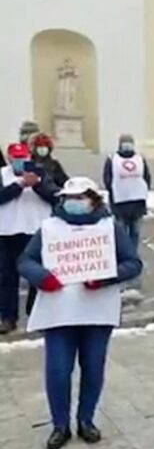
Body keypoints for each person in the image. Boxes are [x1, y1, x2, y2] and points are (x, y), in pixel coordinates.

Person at [17, 177, 143, 449]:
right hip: (58, 312)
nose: (75, 202)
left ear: (93, 199)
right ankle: (59, 425)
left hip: (97, 311)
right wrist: (41, 277)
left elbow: (133, 263)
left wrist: (105, 277)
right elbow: (25, 260)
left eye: (81, 197)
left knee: (93, 367)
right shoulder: (50, 228)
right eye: (70, 197)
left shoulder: (109, 228)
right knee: (58, 370)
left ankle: (86, 419)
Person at [0, 143, 58, 333]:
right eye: (16, 158)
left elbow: (55, 196)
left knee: (36, 275)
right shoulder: (3, 175)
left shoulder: (42, 173)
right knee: (7, 277)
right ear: (9, 158)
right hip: (7, 231)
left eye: (23, 158)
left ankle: (36, 313)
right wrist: (18, 186)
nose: (20, 162)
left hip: (35, 231)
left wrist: (37, 185)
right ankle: (8, 317)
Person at [103, 134, 151, 254]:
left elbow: (146, 177)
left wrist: (143, 190)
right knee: (122, 231)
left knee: (135, 231)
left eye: (129, 142)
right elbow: (107, 178)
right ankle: (125, 253)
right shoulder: (112, 159)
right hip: (120, 203)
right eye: (125, 142)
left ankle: (133, 253)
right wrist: (115, 190)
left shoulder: (140, 159)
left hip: (137, 203)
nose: (127, 145)